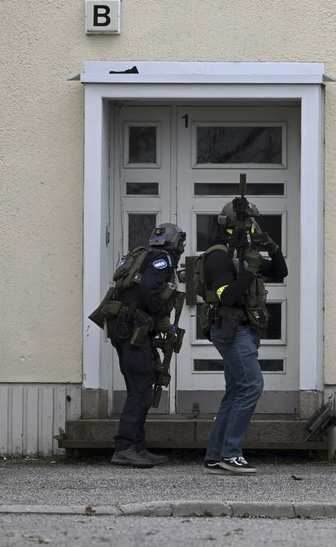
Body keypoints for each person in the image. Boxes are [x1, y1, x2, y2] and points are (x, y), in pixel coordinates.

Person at [199, 197, 287, 475]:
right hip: (230, 328)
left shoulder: (244, 255)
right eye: (248, 222)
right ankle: (231, 454)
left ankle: (215, 456)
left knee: (236, 390)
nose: (252, 226)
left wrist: (272, 248)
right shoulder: (219, 255)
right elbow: (228, 296)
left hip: (242, 329)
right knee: (251, 385)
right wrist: (248, 272)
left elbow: (281, 272)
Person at [108, 223, 186, 468]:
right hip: (133, 327)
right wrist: (162, 316)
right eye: (181, 243)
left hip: (124, 326)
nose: (182, 247)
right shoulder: (164, 259)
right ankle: (124, 448)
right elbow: (149, 288)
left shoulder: (145, 256)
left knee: (139, 386)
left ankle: (138, 448)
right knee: (141, 388)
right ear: (175, 243)